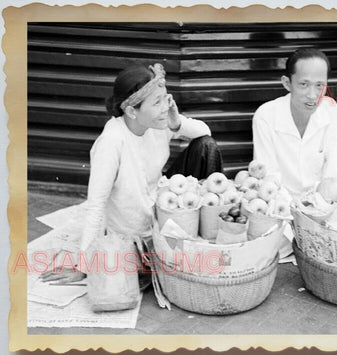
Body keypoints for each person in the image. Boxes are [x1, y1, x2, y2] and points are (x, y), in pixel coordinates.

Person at [40, 63, 222, 284]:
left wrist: (175, 122)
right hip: (134, 234)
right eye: (157, 102)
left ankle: (209, 236)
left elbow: (205, 133)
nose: (165, 106)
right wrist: (84, 265)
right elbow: (96, 205)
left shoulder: (160, 121)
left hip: (163, 207)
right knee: (129, 274)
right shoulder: (111, 142)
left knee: (206, 146)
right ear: (131, 111)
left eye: (166, 98)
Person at [252, 48, 337, 197]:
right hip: (279, 204)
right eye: (304, 84)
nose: (312, 95)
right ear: (287, 83)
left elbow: (336, 170)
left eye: (319, 85)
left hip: (321, 203)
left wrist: (319, 205)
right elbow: (267, 175)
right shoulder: (265, 116)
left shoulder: (330, 109)